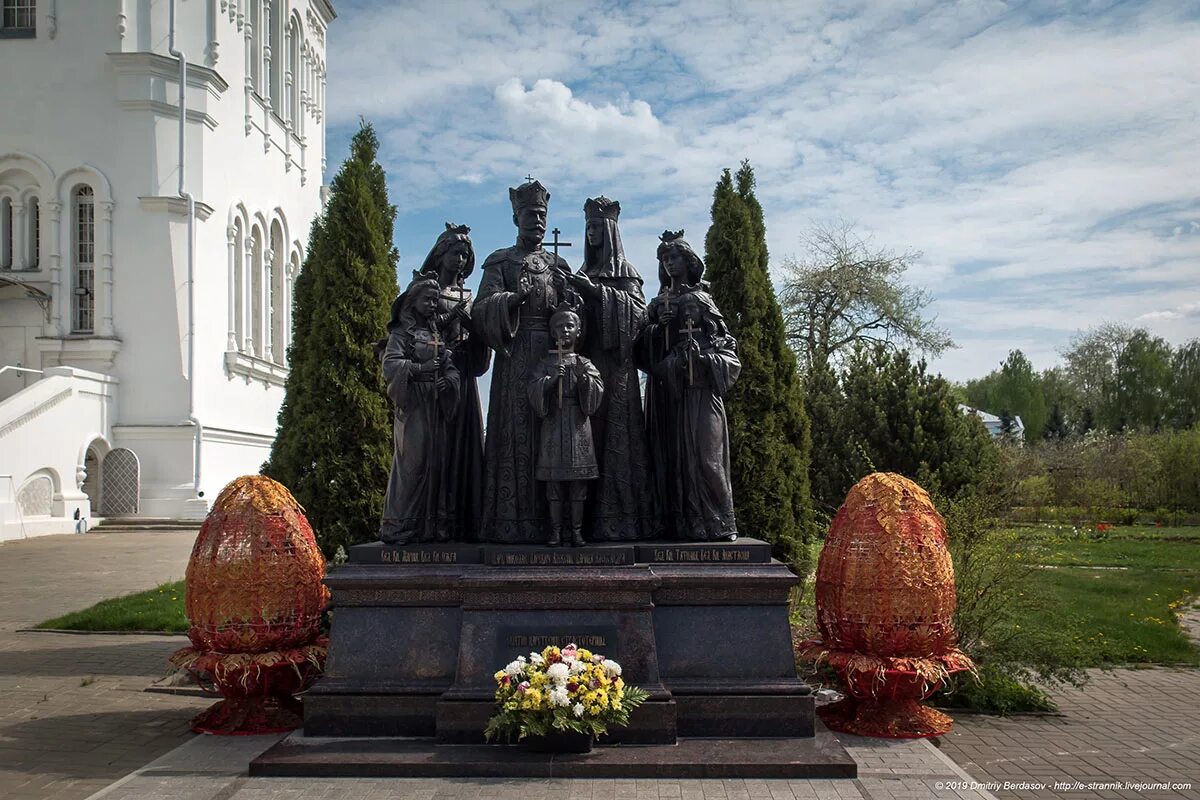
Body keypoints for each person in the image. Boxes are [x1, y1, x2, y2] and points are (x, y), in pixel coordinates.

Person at [472, 180, 573, 543]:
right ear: (516, 217)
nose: (538, 221)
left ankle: (557, 525)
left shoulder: (558, 262)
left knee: (553, 436)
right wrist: (513, 300)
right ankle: (512, 522)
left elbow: (573, 317)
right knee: (516, 436)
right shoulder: (501, 261)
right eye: (531, 214)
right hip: (516, 355)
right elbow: (482, 308)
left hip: (552, 354)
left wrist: (570, 299)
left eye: (542, 215)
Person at [635, 231, 741, 541]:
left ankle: (721, 523)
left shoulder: (702, 299)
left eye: (674, 257)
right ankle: (683, 524)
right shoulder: (658, 304)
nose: (669, 263)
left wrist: (706, 359)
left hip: (702, 394)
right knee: (674, 460)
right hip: (670, 395)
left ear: (689, 261)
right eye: (664, 259)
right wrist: (660, 329)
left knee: (707, 456)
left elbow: (728, 350)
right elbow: (642, 353)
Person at [567, 197, 659, 541]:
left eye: (596, 227)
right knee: (584, 442)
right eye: (588, 227)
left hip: (617, 371)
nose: (591, 234)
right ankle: (581, 520)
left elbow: (637, 319)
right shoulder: (583, 273)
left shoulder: (627, 273)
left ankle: (620, 519)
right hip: (587, 367)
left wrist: (597, 293)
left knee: (616, 442)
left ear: (610, 231)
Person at [415, 223, 490, 539]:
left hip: (462, 373)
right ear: (441, 253)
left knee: (465, 447)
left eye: (465, 255)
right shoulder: (424, 289)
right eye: (456, 252)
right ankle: (432, 520)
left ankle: (464, 518)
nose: (460, 259)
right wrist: (450, 318)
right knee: (437, 449)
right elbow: (415, 326)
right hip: (435, 377)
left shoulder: (469, 296)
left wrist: (473, 328)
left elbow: (480, 339)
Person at [378, 276, 461, 543]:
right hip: (414, 405)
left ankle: (431, 525)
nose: (431, 304)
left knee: (437, 461)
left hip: (435, 404)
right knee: (413, 462)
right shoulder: (402, 334)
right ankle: (401, 526)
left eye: (435, 301)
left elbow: (449, 366)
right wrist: (419, 370)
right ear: (412, 302)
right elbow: (391, 365)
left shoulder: (436, 334)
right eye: (426, 299)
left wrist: (448, 380)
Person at [528, 308, 604, 547]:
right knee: (554, 485)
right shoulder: (546, 362)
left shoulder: (584, 362)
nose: (565, 330)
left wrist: (584, 380)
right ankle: (556, 531)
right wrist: (549, 382)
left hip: (577, 424)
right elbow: (533, 388)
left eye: (570, 326)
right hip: (553, 424)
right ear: (552, 331)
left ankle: (577, 531)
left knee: (578, 486)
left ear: (578, 331)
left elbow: (596, 389)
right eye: (560, 326)